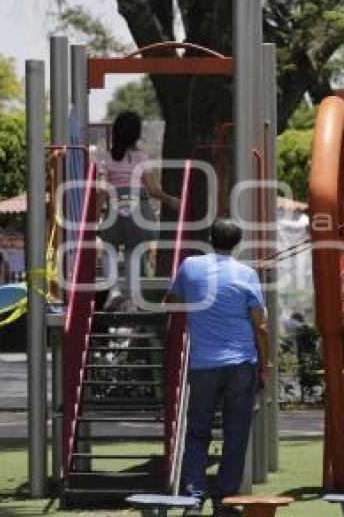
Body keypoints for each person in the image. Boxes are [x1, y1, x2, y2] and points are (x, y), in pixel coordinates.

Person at [165, 219, 269, 517]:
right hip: (241, 362)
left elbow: (172, 300)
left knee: (198, 433)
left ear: (210, 239)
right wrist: (266, 366)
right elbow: (259, 325)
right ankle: (224, 500)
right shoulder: (247, 274)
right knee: (236, 433)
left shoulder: (190, 266)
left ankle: (193, 499)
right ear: (237, 242)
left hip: (203, 364)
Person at [99, 111, 180, 311]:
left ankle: (114, 291)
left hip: (115, 208)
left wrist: (94, 217)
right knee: (133, 253)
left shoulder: (107, 159)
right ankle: (132, 301)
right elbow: (153, 190)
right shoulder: (142, 158)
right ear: (137, 134)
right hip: (138, 210)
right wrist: (170, 201)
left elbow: (101, 189)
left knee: (109, 249)